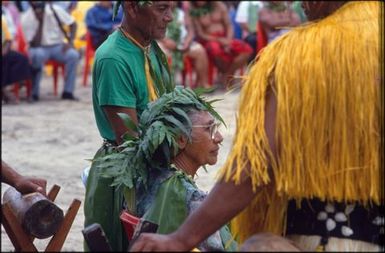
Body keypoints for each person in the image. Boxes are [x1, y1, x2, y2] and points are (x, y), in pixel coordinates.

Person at [131, 1, 382, 251]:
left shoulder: (304, 54)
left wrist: (181, 239)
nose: (299, 4)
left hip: (326, 239)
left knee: (258, 246)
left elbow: (257, 161)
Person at [97, 87, 237, 251]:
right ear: (181, 139)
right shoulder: (193, 201)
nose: (219, 137)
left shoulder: (144, 179)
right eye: (209, 129)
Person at [83, 1, 174, 251]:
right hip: (127, 173)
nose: (170, 17)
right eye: (162, 9)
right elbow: (130, 139)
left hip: (156, 162)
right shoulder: (113, 57)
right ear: (132, 8)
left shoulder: (151, 49)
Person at [20, 1, 79, 101]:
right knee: (36, 56)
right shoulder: (26, 18)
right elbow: (33, 43)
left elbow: (73, 24)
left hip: (57, 46)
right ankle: (34, 93)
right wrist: (40, 22)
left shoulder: (54, 10)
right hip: (39, 48)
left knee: (73, 55)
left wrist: (70, 42)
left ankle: (68, 92)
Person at [189, 1, 253, 88]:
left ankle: (228, 74)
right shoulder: (193, 10)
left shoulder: (219, 5)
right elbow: (201, 34)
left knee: (247, 50)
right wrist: (219, 40)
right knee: (214, 48)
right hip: (208, 39)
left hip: (226, 37)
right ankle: (224, 75)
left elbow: (229, 25)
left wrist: (228, 40)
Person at [158, 2, 210, 88]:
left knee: (200, 50)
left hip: (182, 44)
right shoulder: (158, 13)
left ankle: (204, 84)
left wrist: (188, 41)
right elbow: (152, 31)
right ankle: (165, 86)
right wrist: (165, 41)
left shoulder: (183, 13)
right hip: (165, 44)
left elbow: (190, 30)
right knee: (161, 52)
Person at [2, 14, 32, 103]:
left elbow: (8, 39)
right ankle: (5, 91)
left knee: (21, 59)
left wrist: (5, 49)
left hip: (3, 51)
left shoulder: (2, 20)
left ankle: (15, 85)